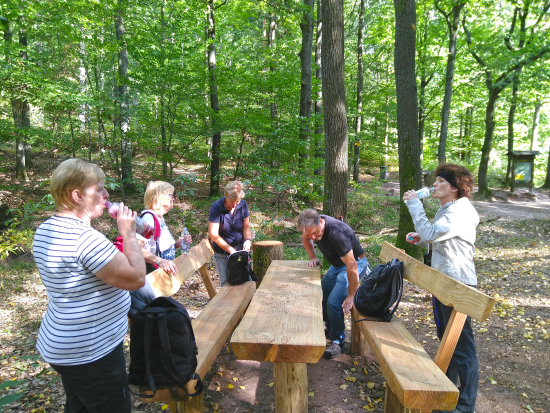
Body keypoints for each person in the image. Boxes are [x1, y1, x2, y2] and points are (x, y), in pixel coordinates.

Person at [32, 158, 146, 413]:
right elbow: (137, 278)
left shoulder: (45, 230)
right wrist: (128, 233)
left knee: (80, 405)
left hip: (64, 345)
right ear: (77, 195)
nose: (107, 195)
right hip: (91, 351)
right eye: (100, 189)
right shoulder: (85, 238)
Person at [403, 163, 479, 413]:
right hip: (446, 280)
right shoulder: (450, 209)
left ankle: (465, 406)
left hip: (458, 283)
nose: (434, 185)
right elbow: (438, 237)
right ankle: (447, 393)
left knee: (462, 343)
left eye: (441, 182)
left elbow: (434, 232)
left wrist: (415, 204)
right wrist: (422, 238)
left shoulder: (460, 211)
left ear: (455, 188)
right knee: (448, 338)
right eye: (435, 182)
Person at [297, 209, 370, 359]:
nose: (313, 237)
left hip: (355, 264)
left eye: (315, 233)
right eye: (309, 234)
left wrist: (351, 295)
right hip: (337, 266)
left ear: (321, 222)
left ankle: (338, 341)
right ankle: (330, 331)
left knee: (334, 302)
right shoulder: (310, 228)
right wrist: (313, 257)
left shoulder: (337, 234)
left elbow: (352, 266)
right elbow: (306, 238)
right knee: (321, 295)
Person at [129, 181, 192, 317]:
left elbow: (157, 247)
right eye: (171, 194)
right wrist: (160, 261)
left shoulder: (159, 218)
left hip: (160, 278)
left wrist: (177, 244)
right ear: (159, 196)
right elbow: (137, 249)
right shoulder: (148, 219)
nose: (174, 198)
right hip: (151, 280)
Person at [208, 180, 252, 287]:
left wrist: (248, 240)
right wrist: (230, 250)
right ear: (225, 195)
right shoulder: (216, 207)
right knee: (226, 285)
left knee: (245, 281)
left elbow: (246, 227)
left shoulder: (243, 205)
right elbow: (213, 234)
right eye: (231, 201)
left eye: (237, 202)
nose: (234, 205)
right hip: (222, 254)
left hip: (241, 252)